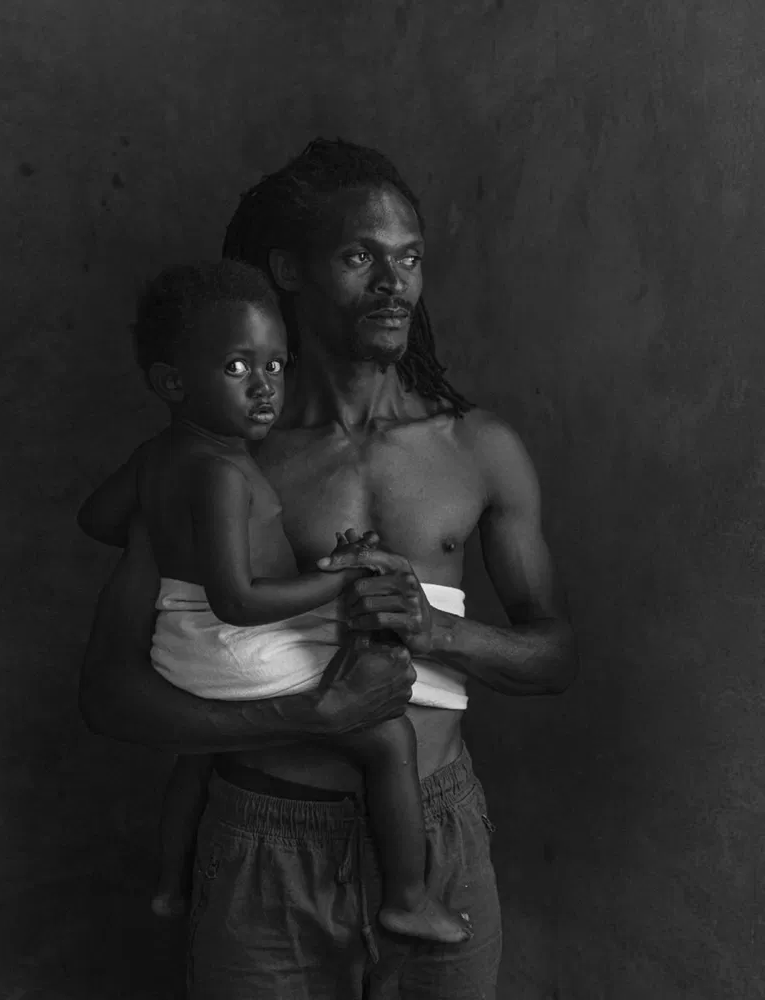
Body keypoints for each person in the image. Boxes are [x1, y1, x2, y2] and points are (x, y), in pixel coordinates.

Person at [78, 138, 578, 999]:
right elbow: (108, 693)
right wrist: (304, 714)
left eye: (409, 258)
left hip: (440, 834)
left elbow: (555, 656)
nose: (394, 283)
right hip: (265, 843)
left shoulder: (479, 449)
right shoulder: (220, 459)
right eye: (359, 257)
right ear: (287, 270)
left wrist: (435, 630)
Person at [80, 259, 473, 944]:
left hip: (182, 640)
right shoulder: (222, 473)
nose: (264, 387)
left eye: (275, 366)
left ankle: (171, 883)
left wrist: (163, 531)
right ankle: (408, 898)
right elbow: (238, 600)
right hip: (230, 639)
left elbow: (97, 519)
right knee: (389, 736)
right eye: (237, 368)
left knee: (200, 755)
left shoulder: (158, 456)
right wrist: (340, 575)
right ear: (172, 382)